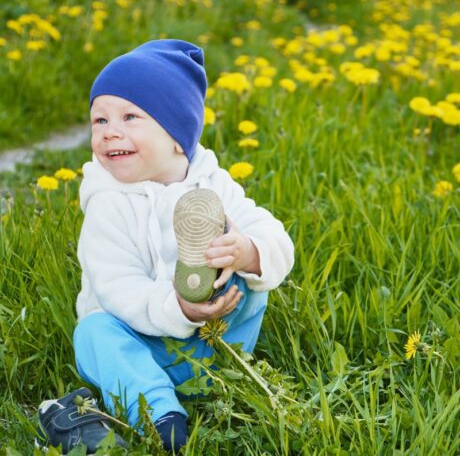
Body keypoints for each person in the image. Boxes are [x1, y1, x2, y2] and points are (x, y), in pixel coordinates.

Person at [37, 39, 295, 454]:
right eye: (98, 120)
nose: (110, 131)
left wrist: (248, 251)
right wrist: (178, 309)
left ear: (177, 135)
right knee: (93, 331)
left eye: (129, 116)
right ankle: (159, 412)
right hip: (138, 343)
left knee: (250, 282)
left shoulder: (213, 185)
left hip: (213, 340)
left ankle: (224, 372)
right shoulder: (108, 203)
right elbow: (117, 287)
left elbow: (275, 235)